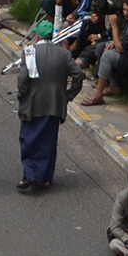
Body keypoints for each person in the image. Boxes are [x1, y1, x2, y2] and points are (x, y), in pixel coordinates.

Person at [17, 26, 85, 191]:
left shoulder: (30, 52)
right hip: (54, 104)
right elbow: (78, 75)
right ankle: (45, 178)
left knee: (29, 140)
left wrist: (22, 95)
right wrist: (67, 95)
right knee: (48, 142)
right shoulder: (64, 54)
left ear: (37, 36)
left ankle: (30, 175)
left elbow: (23, 78)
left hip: (32, 104)